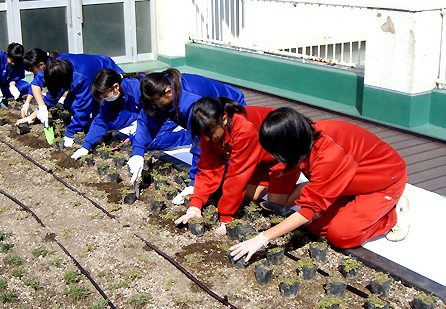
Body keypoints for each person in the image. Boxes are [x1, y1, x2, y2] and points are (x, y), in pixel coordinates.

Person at [230, 107, 409, 264]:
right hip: (347, 184)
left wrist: (262, 238)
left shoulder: (329, 153)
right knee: (317, 227)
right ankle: (334, 194)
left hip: (382, 183)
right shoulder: (303, 135)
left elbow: (308, 211)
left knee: (341, 236)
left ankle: (392, 213)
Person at [175, 98, 299, 235]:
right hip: (259, 158)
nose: (208, 139)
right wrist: (195, 206)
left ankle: (306, 189)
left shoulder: (244, 129)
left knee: (276, 205)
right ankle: (274, 184)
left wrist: (226, 217)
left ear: (224, 119)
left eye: (210, 134)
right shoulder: (208, 134)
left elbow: (237, 176)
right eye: (203, 135)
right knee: (251, 195)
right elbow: (208, 170)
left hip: (282, 153)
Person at [126, 68, 246, 205]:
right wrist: (138, 152)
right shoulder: (160, 92)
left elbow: (200, 144)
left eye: (159, 103)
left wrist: (195, 183)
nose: (157, 106)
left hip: (230, 107)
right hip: (203, 114)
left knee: (229, 156)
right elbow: (147, 122)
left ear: (168, 91)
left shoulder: (191, 102)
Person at [71, 69, 191, 160]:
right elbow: (103, 119)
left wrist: (139, 144)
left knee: (148, 143)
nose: (105, 100)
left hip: (163, 113)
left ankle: (187, 137)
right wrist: (86, 146)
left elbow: (150, 118)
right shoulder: (114, 95)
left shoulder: (137, 89)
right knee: (140, 141)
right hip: (151, 113)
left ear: (116, 87)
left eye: (105, 96)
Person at [22, 52, 123, 146]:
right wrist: (38, 110)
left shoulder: (81, 78)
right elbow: (37, 84)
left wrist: (70, 132)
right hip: (86, 74)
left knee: (101, 112)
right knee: (69, 105)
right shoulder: (54, 67)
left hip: (105, 72)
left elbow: (83, 108)